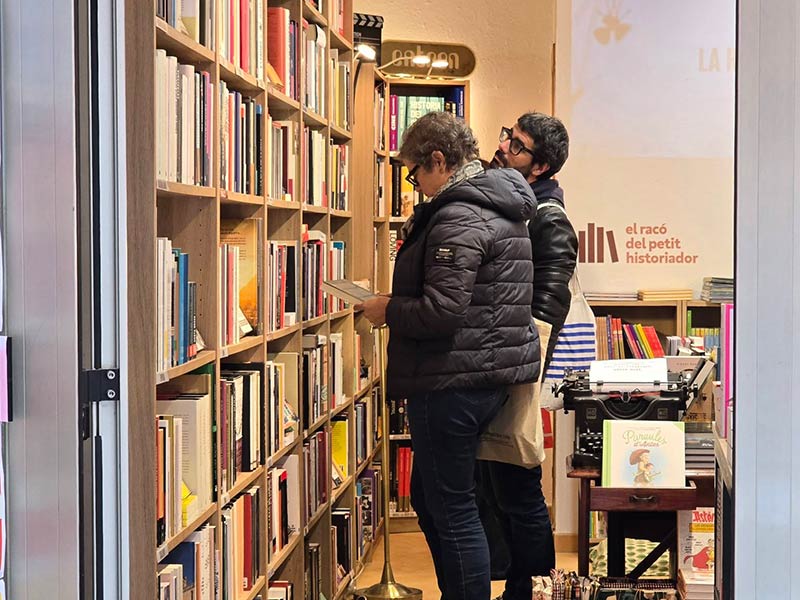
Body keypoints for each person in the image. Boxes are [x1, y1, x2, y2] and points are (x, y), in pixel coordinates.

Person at [357, 110, 540, 600]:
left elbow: (442, 312)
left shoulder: (460, 214)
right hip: (479, 374)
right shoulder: (491, 204)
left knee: (452, 508)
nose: (414, 184)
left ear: (438, 160)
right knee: (433, 498)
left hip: (452, 380)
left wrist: (387, 308)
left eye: (415, 173)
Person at [478, 112, 579, 600]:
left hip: (516, 368)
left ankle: (534, 591)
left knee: (518, 486)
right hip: (500, 360)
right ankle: (518, 586)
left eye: (516, 147)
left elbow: (548, 306)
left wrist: (519, 360)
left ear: (539, 167)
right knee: (501, 485)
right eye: (507, 136)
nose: (504, 148)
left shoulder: (549, 218)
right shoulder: (513, 202)